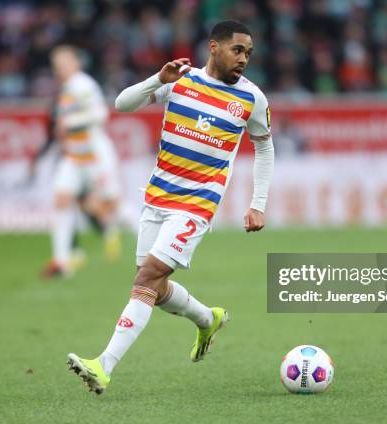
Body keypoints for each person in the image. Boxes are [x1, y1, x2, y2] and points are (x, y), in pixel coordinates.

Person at [66, 20, 275, 394]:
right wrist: (157, 80)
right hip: (158, 196)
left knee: (145, 280)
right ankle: (206, 318)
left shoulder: (251, 98)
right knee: (154, 288)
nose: (244, 59)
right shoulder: (181, 79)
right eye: (237, 50)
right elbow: (121, 104)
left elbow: (264, 147)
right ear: (214, 47)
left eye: (248, 53)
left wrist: (257, 203)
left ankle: (103, 366)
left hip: (197, 205)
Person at [33, 45, 125, 279]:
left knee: (111, 205)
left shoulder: (82, 84)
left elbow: (100, 114)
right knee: (62, 199)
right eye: (56, 65)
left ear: (75, 63)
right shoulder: (67, 87)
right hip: (74, 157)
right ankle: (61, 261)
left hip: (94, 156)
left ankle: (148, 245)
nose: (59, 69)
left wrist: (69, 123)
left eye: (63, 64)